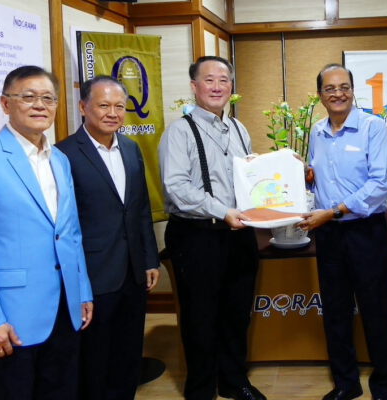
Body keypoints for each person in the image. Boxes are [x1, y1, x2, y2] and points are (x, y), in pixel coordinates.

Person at [0, 65, 93, 399]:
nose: (40, 105)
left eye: (48, 98)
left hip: (65, 308)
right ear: (5, 104)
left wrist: (82, 291)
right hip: (11, 317)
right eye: (28, 97)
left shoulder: (60, 160)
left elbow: (70, 234)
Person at [158, 56, 265, 400]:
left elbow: (247, 175)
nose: (217, 86)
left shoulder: (238, 128)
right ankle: (201, 389)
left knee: (237, 312)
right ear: (194, 86)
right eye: (209, 80)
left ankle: (234, 381)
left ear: (231, 86)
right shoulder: (179, 131)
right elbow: (176, 187)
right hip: (197, 236)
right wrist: (222, 211)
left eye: (224, 80)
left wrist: (278, 169)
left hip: (238, 234)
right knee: (200, 316)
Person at [56, 75, 160, 400]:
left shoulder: (130, 148)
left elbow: (140, 208)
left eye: (119, 106)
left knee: (128, 356)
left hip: (133, 272)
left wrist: (150, 258)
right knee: (95, 359)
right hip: (93, 275)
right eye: (103, 105)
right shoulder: (64, 154)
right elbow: (63, 225)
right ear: (83, 107)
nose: (112, 113)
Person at [299, 64, 387, 400]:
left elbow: (379, 185)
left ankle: (384, 385)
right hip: (328, 234)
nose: (338, 93)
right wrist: (301, 175)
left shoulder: (373, 128)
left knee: (376, 309)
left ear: (353, 91)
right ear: (320, 95)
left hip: (364, 232)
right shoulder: (317, 132)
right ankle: (346, 383)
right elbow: (315, 179)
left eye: (344, 87)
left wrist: (334, 211)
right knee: (336, 310)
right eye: (330, 88)